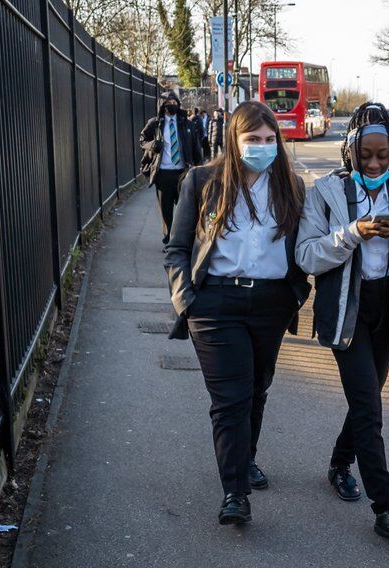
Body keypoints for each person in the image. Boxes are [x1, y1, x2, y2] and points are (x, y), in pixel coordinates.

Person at [296, 102, 389, 538]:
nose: (376, 164)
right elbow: (305, 255)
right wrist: (352, 233)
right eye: (366, 156)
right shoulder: (325, 192)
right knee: (368, 407)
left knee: (367, 400)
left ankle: (340, 463)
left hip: (388, 306)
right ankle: (386, 505)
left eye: (383, 155)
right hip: (346, 308)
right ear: (350, 154)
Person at [164, 100, 311, 526]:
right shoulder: (202, 181)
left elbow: (304, 249)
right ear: (234, 140)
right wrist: (185, 300)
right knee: (230, 400)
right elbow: (176, 247)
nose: (263, 147)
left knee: (257, 389)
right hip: (214, 306)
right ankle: (235, 492)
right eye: (253, 140)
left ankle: (246, 459)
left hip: (271, 303)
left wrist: (295, 295)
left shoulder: (292, 187)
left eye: (270, 140)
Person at [139, 91, 203, 247]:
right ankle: (169, 241)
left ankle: (184, 241)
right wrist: (152, 145)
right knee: (166, 211)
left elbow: (196, 147)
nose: (172, 105)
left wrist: (200, 169)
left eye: (175, 102)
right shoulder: (155, 124)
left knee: (185, 210)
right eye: (168, 103)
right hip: (163, 174)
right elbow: (142, 140)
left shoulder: (186, 123)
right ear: (162, 105)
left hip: (183, 173)